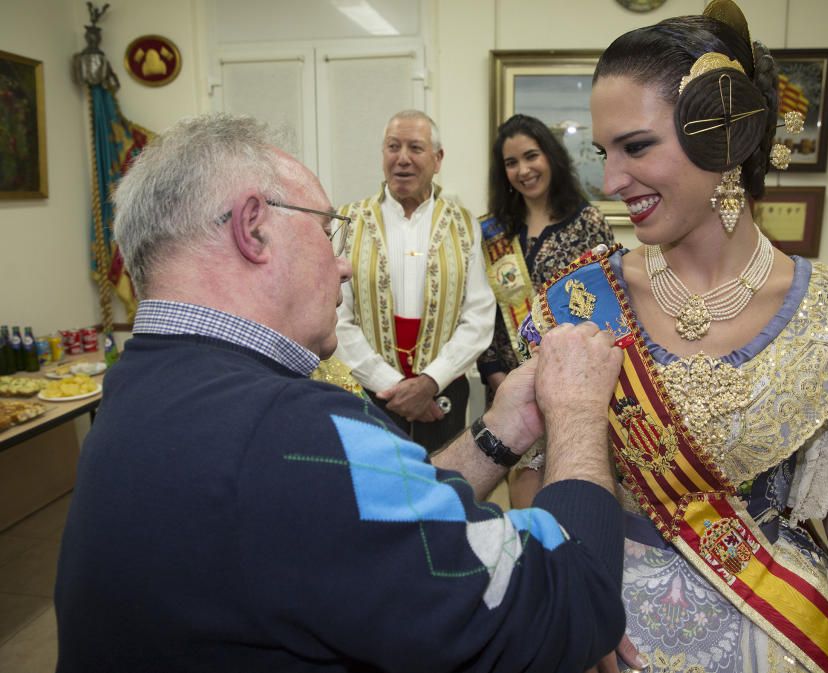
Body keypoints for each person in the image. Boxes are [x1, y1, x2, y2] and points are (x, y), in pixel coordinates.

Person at [53, 113, 630, 673]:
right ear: (253, 228)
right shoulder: (289, 430)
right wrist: (577, 412)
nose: (344, 266)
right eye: (327, 233)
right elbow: (568, 605)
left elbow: (367, 514)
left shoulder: (142, 380)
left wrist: (503, 431)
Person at [516, 2, 828, 672]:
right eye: (603, 153)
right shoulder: (579, 300)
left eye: (636, 147)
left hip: (781, 621)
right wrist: (567, 613)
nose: (610, 184)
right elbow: (532, 479)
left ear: (726, 137)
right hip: (606, 620)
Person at [334, 110, 495, 452]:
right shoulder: (350, 220)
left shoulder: (464, 223)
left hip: (444, 393)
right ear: (382, 155)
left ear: (437, 160)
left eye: (415, 148)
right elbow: (337, 316)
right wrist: (391, 385)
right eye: (393, 147)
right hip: (370, 392)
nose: (402, 158)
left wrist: (430, 382)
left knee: (445, 486)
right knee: (375, 493)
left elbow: (479, 314)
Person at [478, 114, 616, 505]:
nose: (523, 170)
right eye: (511, 163)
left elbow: (606, 309)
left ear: (551, 157)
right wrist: (495, 375)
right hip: (507, 391)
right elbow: (482, 311)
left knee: (571, 502)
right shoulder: (494, 231)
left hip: (573, 388)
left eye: (531, 156)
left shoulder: (588, 223)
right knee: (524, 514)